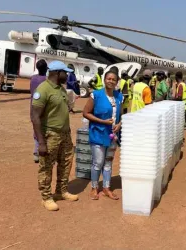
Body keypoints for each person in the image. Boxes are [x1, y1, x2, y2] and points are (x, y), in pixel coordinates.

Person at [31, 60, 78, 211]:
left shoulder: (61, 89)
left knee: (65, 163)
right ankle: (46, 197)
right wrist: (41, 142)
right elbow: (35, 117)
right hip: (50, 134)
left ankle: (61, 191)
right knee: (46, 166)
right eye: (65, 72)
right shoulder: (43, 89)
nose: (67, 75)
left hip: (65, 134)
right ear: (57, 73)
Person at [83, 70, 123, 200]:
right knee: (98, 162)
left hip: (112, 135)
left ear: (117, 82)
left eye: (113, 80)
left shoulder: (119, 97)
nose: (111, 81)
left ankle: (106, 187)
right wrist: (102, 121)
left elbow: (121, 115)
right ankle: (94, 188)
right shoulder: (96, 95)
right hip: (98, 133)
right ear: (104, 80)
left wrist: (120, 124)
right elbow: (86, 113)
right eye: (109, 79)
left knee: (108, 163)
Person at [30, 59, 48, 163]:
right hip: (43, 107)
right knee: (43, 128)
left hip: (33, 106)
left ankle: (36, 151)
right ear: (45, 69)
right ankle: (39, 151)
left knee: (35, 127)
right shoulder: (46, 80)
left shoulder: (33, 79)